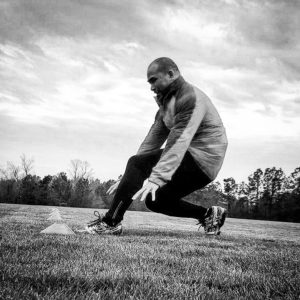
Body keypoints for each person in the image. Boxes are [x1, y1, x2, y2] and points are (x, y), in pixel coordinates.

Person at [86, 57, 228, 235]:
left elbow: (178, 141)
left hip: (202, 158)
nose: (151, 87)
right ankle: (208, 214)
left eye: (154, 80)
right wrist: (129, 176)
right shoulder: (165, 107)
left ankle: (111, 222)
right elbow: (151, 142)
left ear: (171, 74)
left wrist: (155, 177)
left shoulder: (190, 98)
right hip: (201, 167)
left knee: (138, 164)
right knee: (157, 201)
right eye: (149, 82)